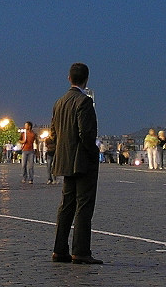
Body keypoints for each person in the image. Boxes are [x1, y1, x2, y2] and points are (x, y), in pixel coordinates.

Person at [51, 62, 102, 265]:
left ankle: (59, 250)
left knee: (66, 206)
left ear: (69, 78)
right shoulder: (84, 102)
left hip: (64, 160)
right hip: (82, 162)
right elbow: (86, 134)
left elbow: (54, 133)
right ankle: (80, 251)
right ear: (86, 79)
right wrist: (93, 152)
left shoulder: (59, 102)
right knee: (84, 206)